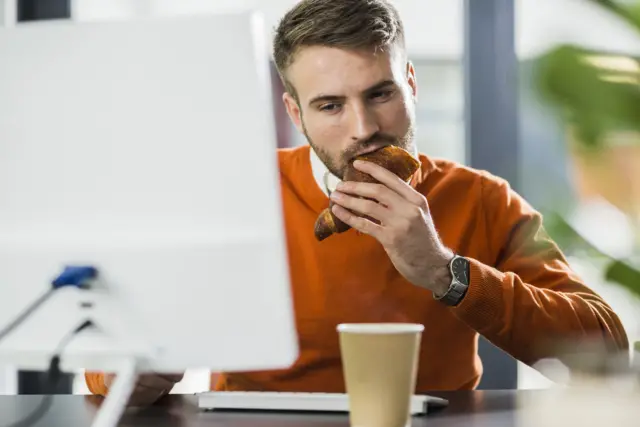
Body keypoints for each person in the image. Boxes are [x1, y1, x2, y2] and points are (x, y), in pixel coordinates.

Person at [85, 0, 628, 406]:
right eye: (329, 106)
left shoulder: (481, 198)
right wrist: (138, 374)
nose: (363, 129)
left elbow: (606, 349)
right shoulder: (238, 192)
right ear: (295, 114)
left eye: (380, 93)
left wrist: (446, 272)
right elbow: (105, 365)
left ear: (411, 85)